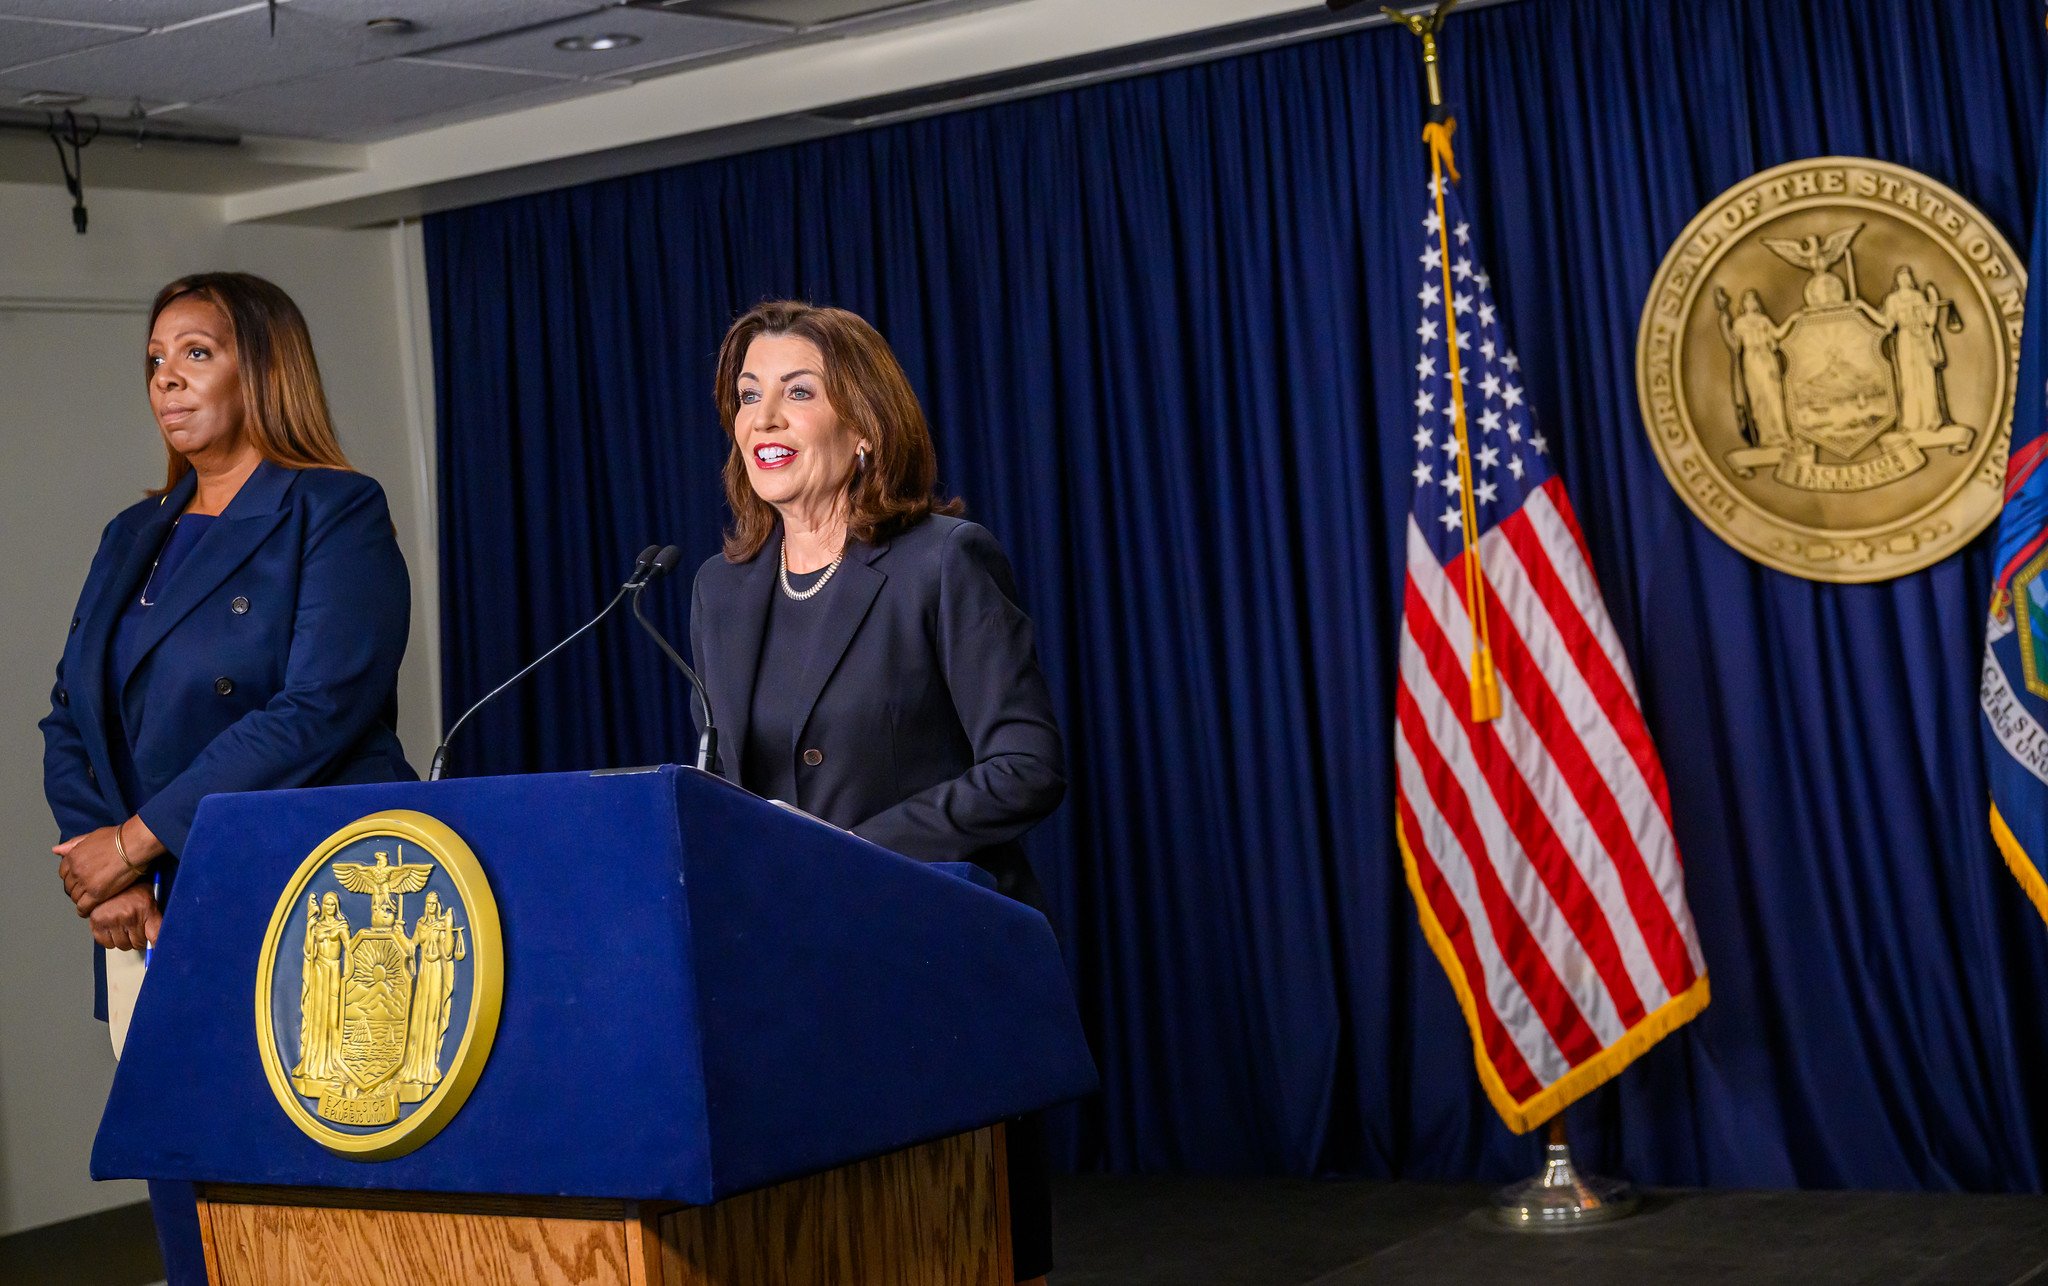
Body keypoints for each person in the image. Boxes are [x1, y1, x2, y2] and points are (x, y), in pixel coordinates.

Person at [40, 272, 415, 1285]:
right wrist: (110, 867)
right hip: (142, 909)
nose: (167, 380)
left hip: (295, 890)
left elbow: (317, 710)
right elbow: (69, 713)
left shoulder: (332, 509)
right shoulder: (134, 530)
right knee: (185, 1177)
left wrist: (139, 836)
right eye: (155, 362)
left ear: (264, 366)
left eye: (196, 353)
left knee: (306, 1197)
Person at [689, 300, 1066, 1283]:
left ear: (861, 429)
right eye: (747, 395)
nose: (764, 417)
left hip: (925, 958)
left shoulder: (942, 561)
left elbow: (1025, 765)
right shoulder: (719, 591)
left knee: (942, 1249)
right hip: (783, 979)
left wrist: (846, 850)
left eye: (797, 392)